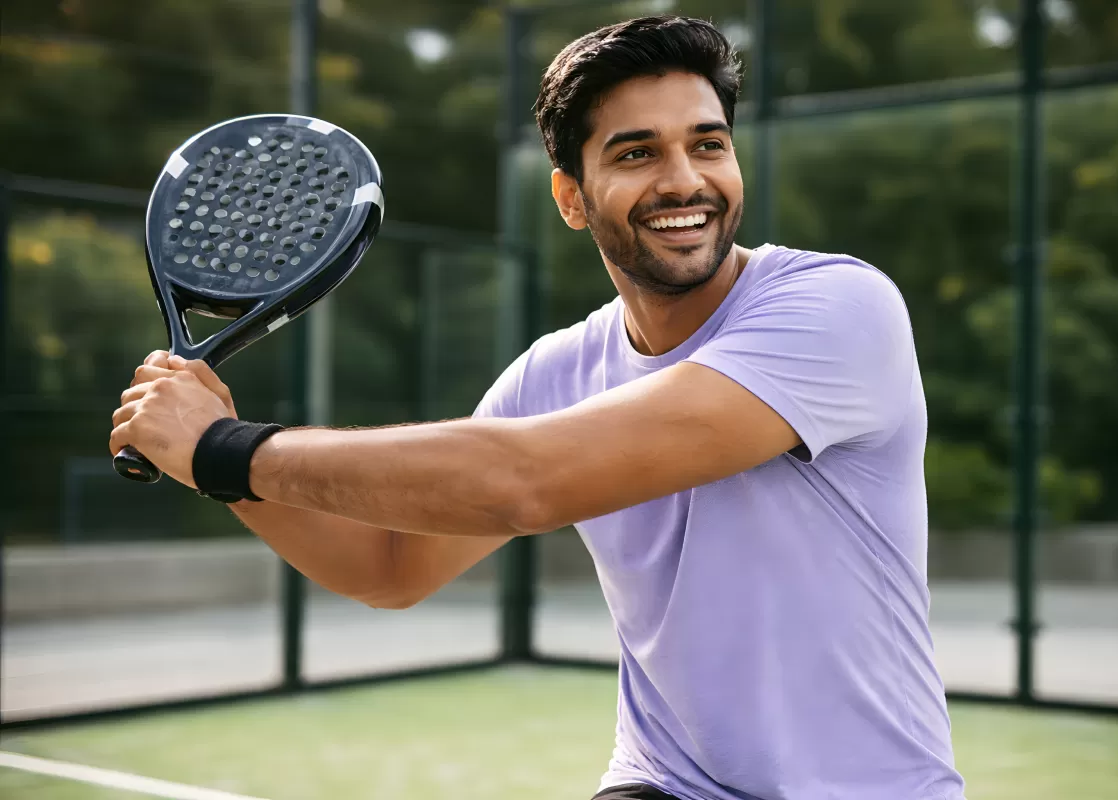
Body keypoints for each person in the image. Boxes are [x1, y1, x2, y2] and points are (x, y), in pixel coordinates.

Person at [110, 15, 965, 800]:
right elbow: (390, 567)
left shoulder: (839, 309)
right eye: (636, 154)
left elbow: (527, 482)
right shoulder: (555, 373)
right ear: (570, 198)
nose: (685, 181)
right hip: (666, 783)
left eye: (708, 144)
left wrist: (222, 447)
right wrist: (213, 461)